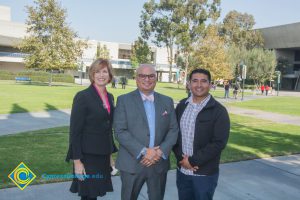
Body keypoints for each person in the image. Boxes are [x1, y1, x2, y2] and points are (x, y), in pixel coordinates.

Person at [113, 64, 178, 200]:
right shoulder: (124, 100)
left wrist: (159, 152)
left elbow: (173, 130)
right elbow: (120, 131)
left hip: (158, 163)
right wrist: (145, 151)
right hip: (132, 163)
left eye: (151, 76)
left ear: (156, 78)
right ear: (136, 78)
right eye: (142, 75)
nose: (147, 79)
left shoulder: (167, 101)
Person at [173, 68, 230, 200]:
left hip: (204, 175)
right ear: (189, 84)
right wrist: (182, 160)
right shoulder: (182, 106)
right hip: (183, 171)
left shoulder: (219, 111)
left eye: (203, 81)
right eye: (195, 81)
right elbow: (174, 134)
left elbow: (219, 143)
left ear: (210, 85)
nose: (199, 85)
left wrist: (192, 161)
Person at [66, 58, 116, 200]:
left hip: (102, 155)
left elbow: (107, 129)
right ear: (92, 74)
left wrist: (109, 155)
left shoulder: (110, 97)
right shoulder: (83, 96)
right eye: (97, 71)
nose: (101, 75)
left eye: (105, 71)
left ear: (110, 75)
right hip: (87, 157)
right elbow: (75, 132)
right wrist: (77, 162)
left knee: (96, 193)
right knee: (88, 195)